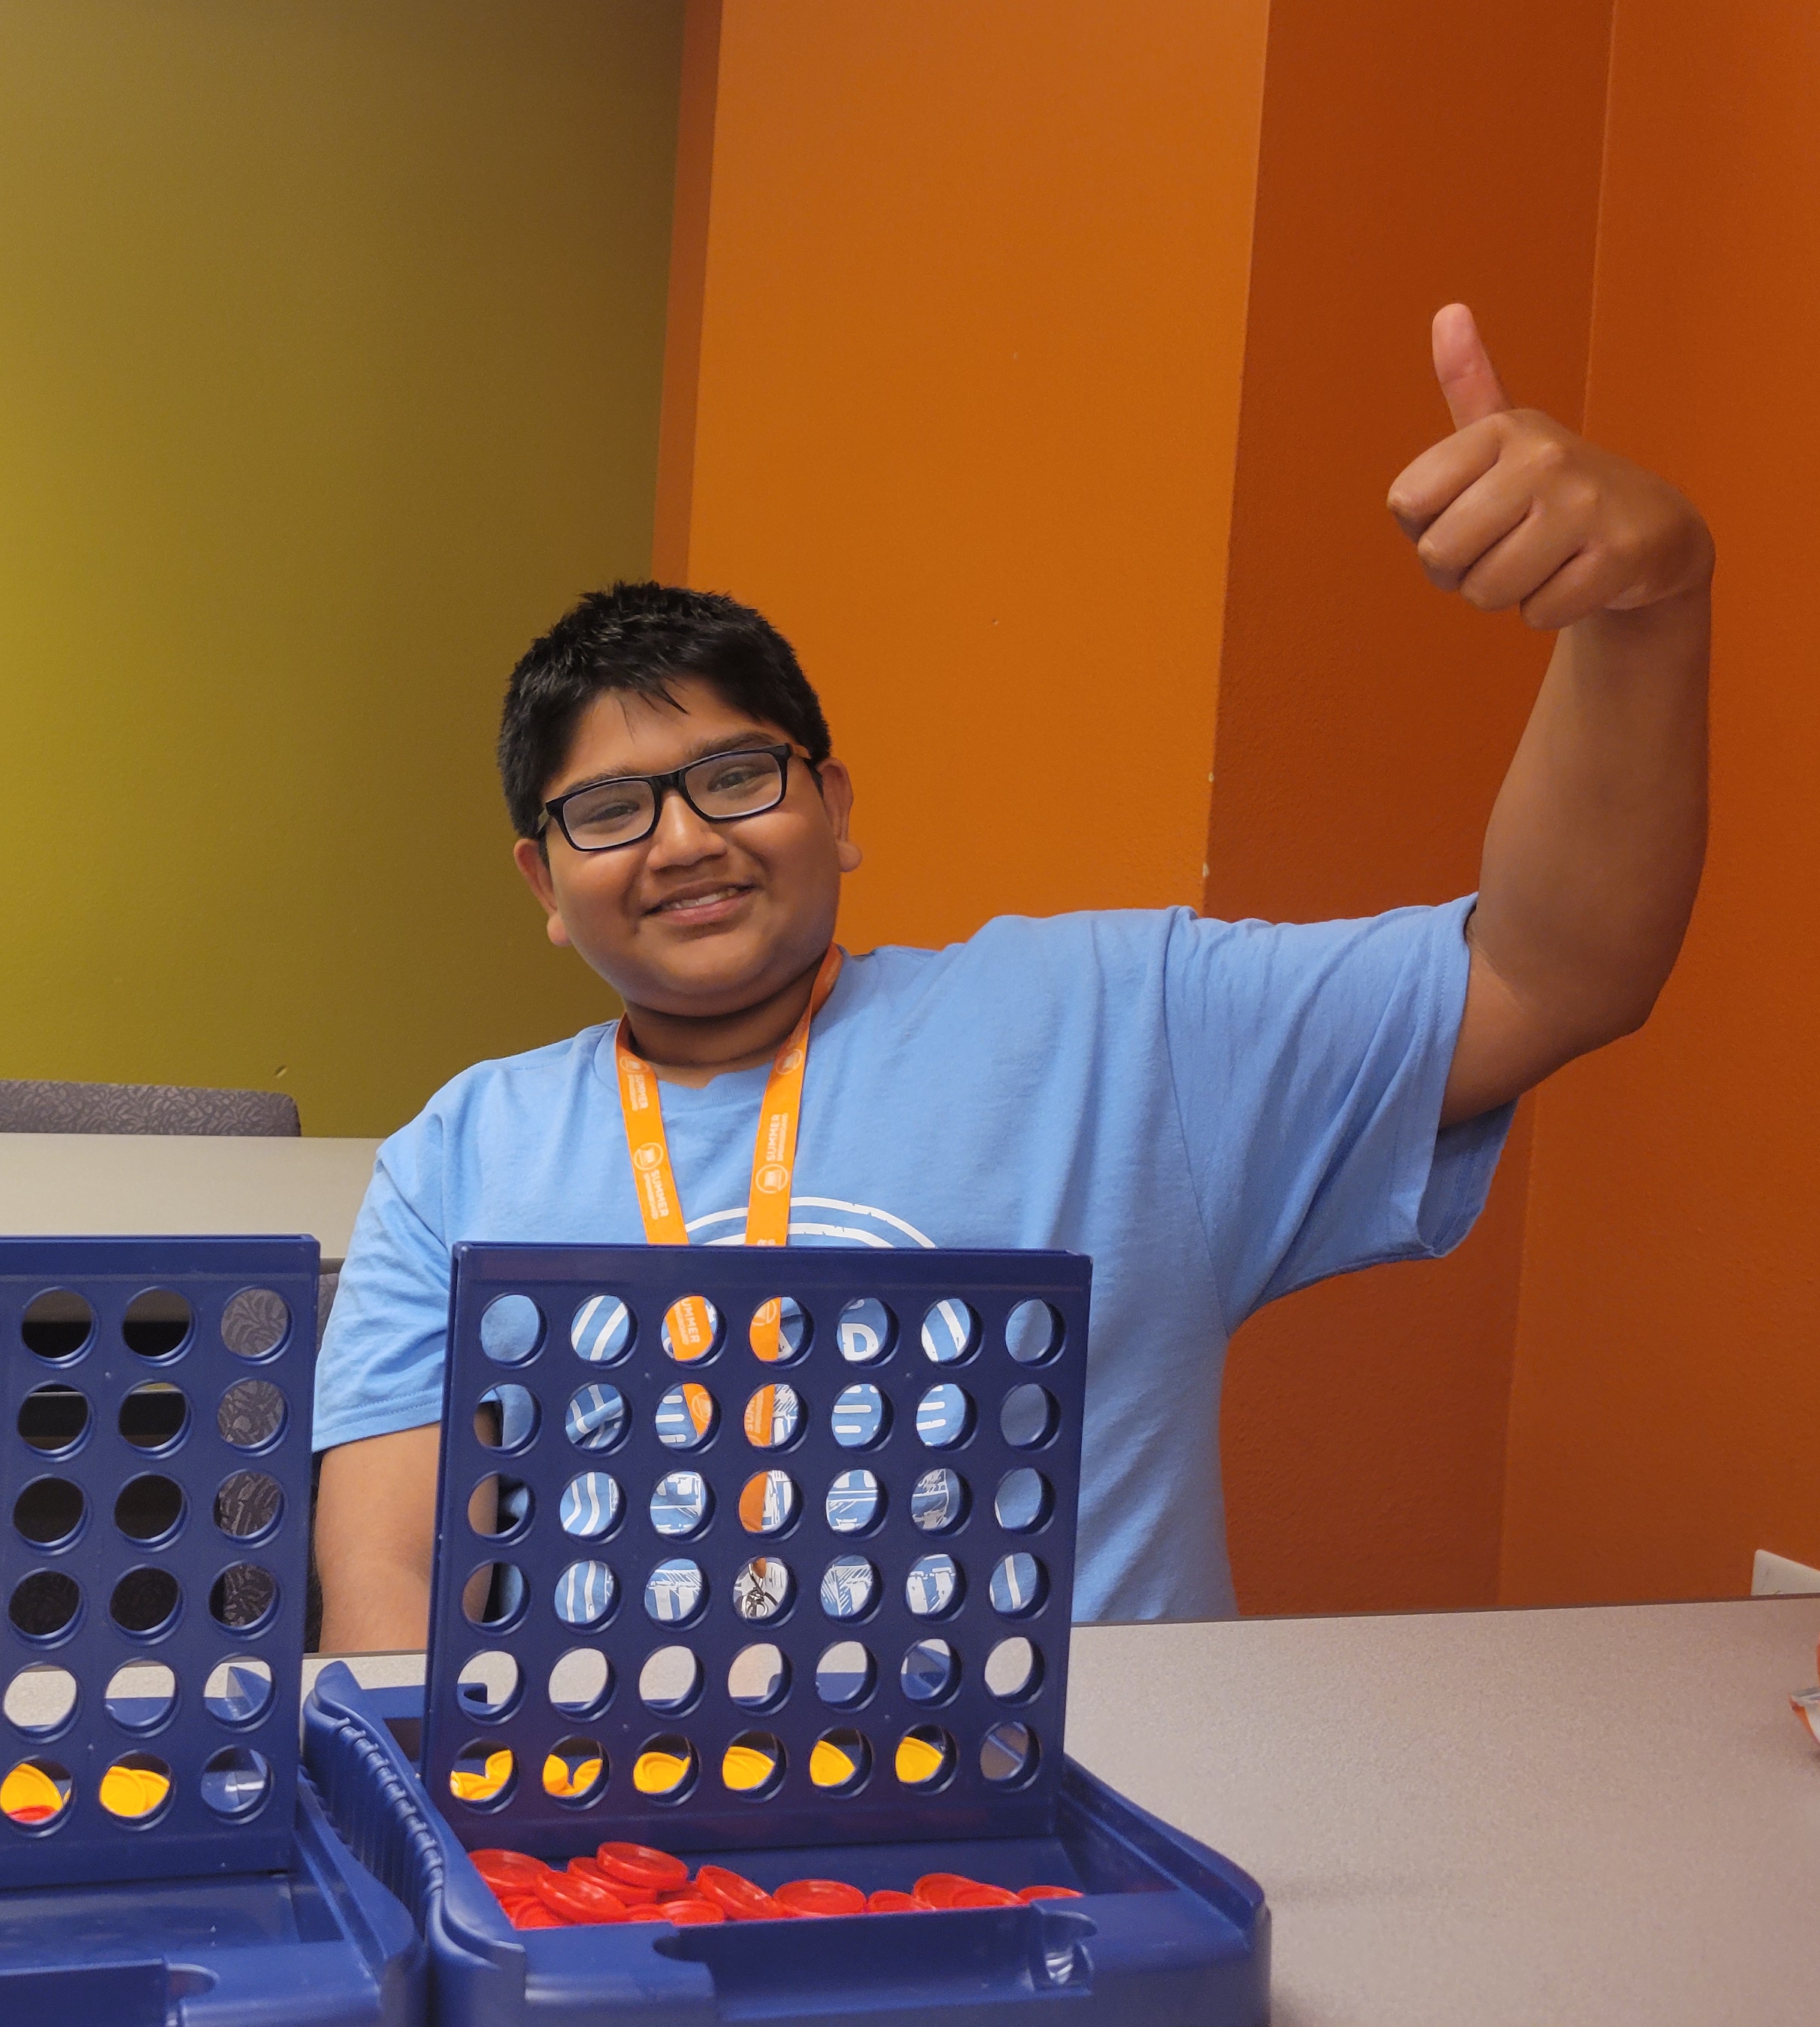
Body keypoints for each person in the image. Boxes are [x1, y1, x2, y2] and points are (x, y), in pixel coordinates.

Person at [311, 305, 1712, 1648]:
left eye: (735, 777)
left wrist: (1643, 616)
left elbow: (1550, 975)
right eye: (612, 812)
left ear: (834, 811)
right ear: (545, 887)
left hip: (1065, 1801)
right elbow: (392, 1570)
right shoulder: (461, 1154)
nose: (683, 842)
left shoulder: (1120, 1026)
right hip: (609, 1793)